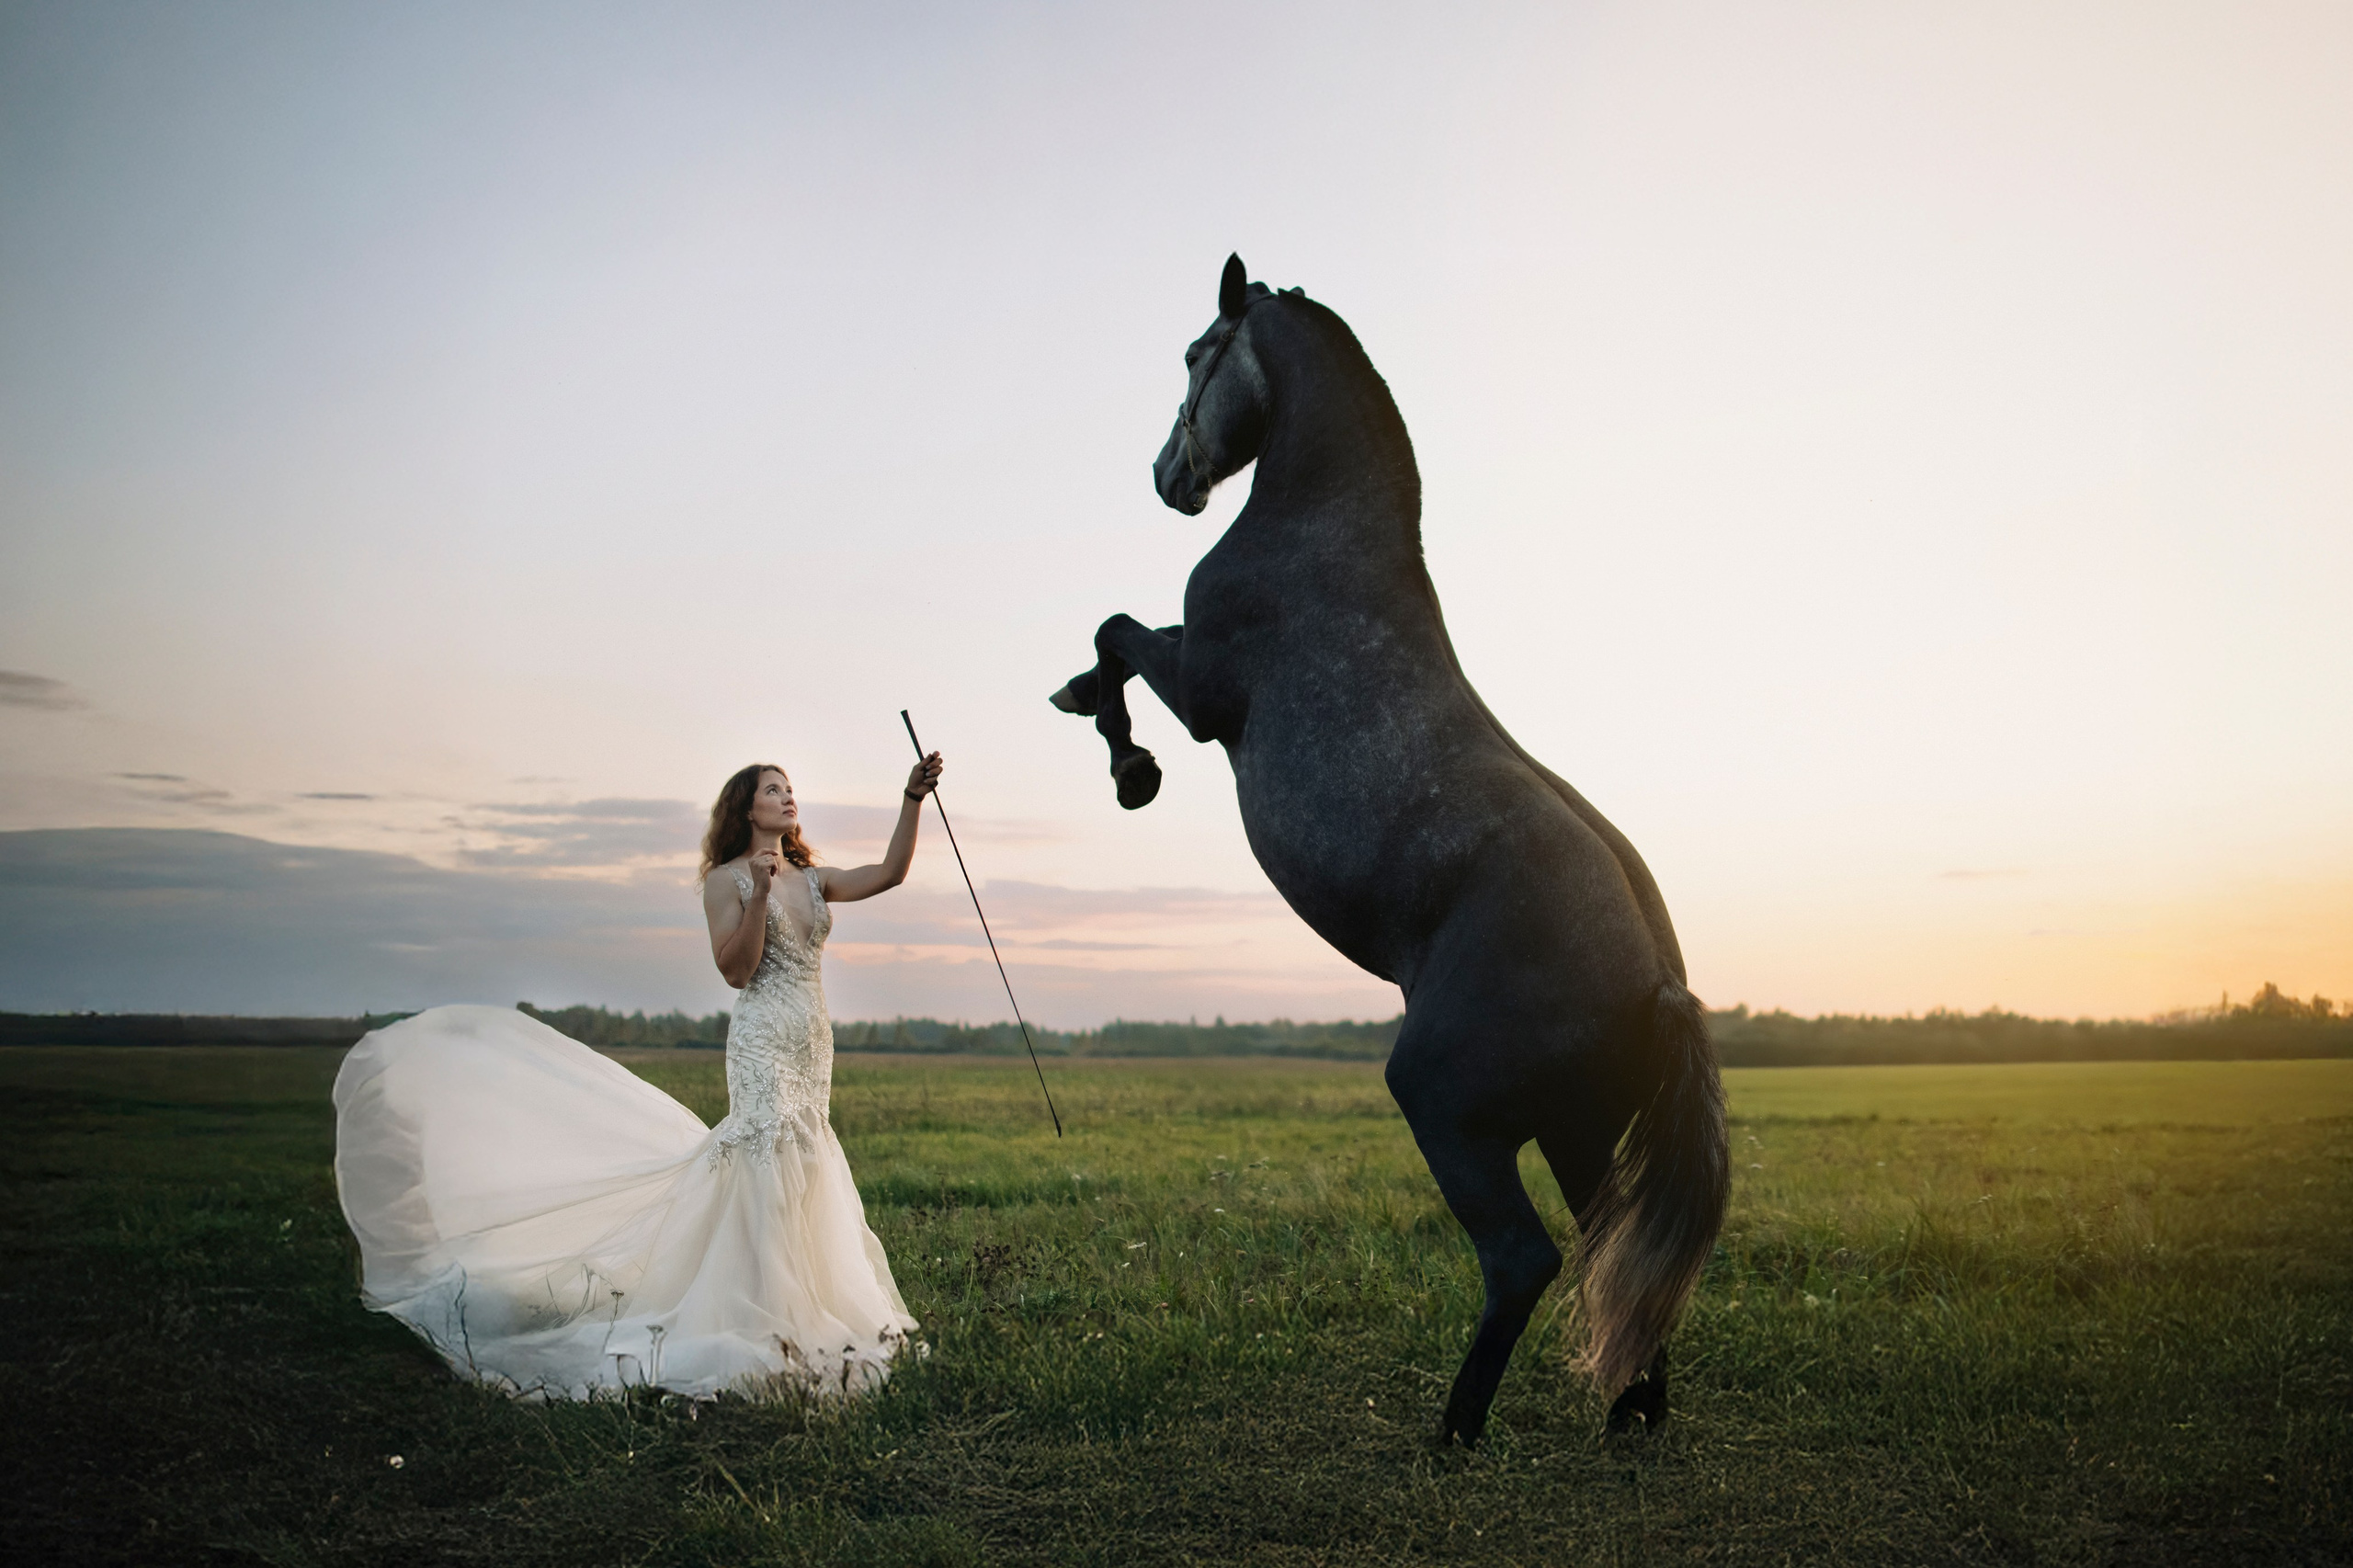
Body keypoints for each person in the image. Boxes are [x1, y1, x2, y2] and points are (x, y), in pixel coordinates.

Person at [332, 750, 945, 1399]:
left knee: (807, 1158)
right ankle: (766, 1309)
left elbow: (889, 873)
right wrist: (760, 894)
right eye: (773, 789)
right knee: (764, 1156)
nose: (788, 797)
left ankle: (809, 1300)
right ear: (746, 808)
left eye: (791, 789)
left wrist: (912, 800)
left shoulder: (815, 879)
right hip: (763, 1038)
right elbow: (736, 971)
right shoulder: (727, 881)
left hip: (812, 1042)